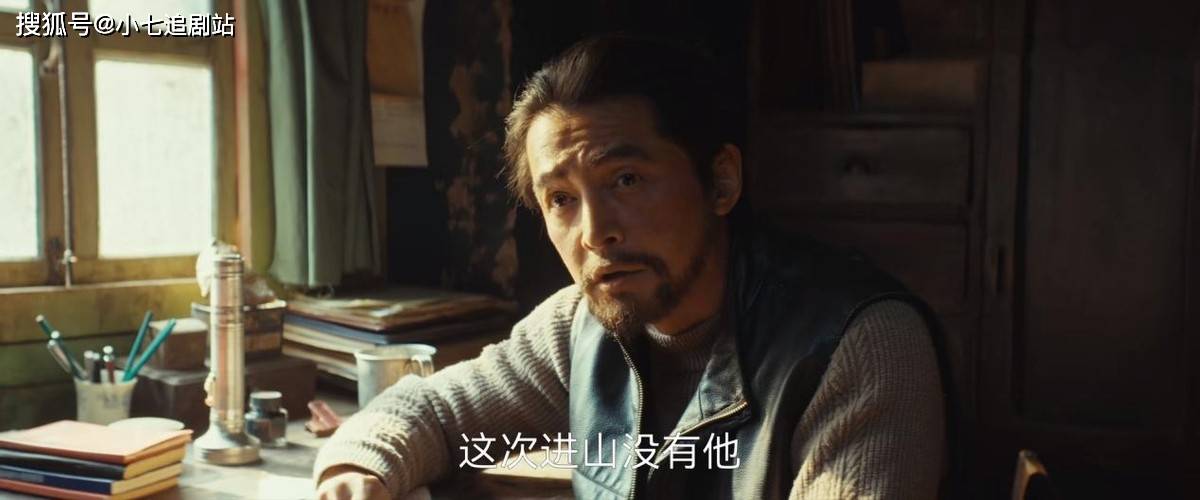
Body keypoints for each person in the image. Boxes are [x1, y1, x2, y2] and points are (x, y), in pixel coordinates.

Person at [314, 35, 947, 500]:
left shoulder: (860, 346)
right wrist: (356, 472)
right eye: (561, 199)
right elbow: (430, 411)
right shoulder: (580, 326)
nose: (595, 233)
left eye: (626, 179)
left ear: (721, 182)